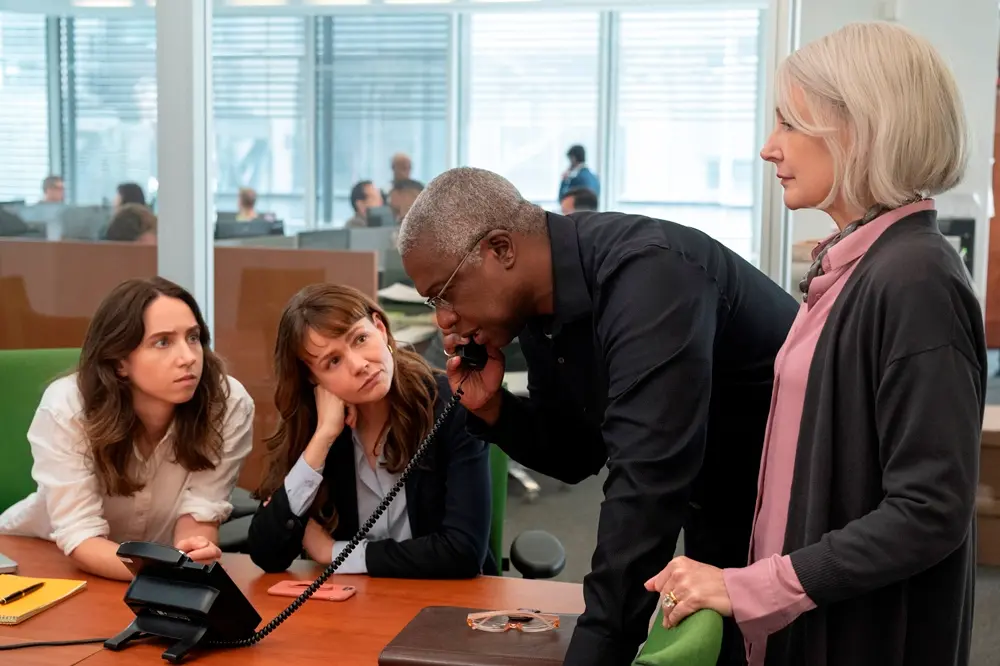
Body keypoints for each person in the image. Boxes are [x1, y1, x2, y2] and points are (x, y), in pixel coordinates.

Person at [643, 22, 984, 666]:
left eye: (789, 124)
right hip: (812, 622)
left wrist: (749, 586)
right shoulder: (859, 268)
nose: (770, 148)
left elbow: (928, 509)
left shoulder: (914, 279)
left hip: (863, 634)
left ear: (858, 129)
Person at [397, 166, 798, 665]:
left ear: (500, 250)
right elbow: (576, 452)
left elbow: (645, 485)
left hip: (794, 514)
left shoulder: (648, 276)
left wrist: (594, 650)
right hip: (718, 503)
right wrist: (495, 410)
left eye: (444, 292)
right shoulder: (543, 313)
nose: (443, 319)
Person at [0, 277, 255, 581]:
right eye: (163, 342)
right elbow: (81, 536)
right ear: (120, 361)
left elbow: (201, 513)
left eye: (193, 337)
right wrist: (168, 571)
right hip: (42, 555)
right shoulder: (69, 407)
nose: (188, 357)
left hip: (154, 567)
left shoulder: (226, 404)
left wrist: (190, 555)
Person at [246, 284, 493, 578]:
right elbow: (266, 553)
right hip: (359, 605)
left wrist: (334, 553)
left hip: (447, 602)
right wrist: (323, 437)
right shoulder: (318, 427)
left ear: (380, 327)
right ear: (313, 378)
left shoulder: (451, 406)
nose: (359, 365)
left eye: (361, 339)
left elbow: (463, 552)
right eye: (333, 361)